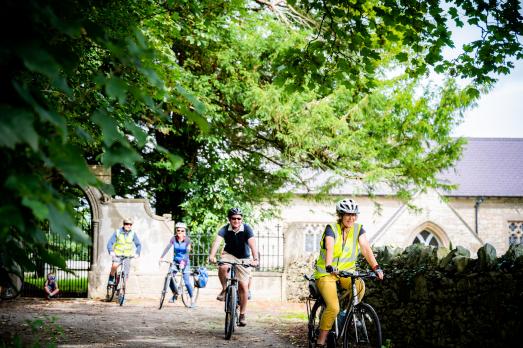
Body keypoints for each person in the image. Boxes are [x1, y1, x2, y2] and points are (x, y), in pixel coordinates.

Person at [314, 199, 384, 348]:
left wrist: (376, 267)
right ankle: (320, 342)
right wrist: (329, 265)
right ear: (341, 215)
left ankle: (344, 314)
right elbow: (330, 246)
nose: (351, 218)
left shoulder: (359, 229)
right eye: (347, 214)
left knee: (360, 286)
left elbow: (365, 247)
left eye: (354, 215)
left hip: (346, 273)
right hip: (327, 273)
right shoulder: (331, 228)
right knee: (333, 307)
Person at [208, 207, 258, 327]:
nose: (236, 221)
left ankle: (242, 314)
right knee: (222, 267)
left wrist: (255, 258)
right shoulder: (225, 229)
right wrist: (212, 255)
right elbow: (217, 242)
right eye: (233, 218)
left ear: (242, 219)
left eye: (238, 218)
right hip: (229, 254)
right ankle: (225, 289)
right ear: (229, 219)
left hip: (243, 257)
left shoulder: (247, 229)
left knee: (243, 286)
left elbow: (252, 244)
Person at [159, 222, 196, 308]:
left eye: (182, 230)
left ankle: (192, 299)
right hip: (175, 261)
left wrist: (183, 262)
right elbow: (168, 247)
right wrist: (161, 257)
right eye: (178, 230)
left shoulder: (188, 240)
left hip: (185, 262)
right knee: (169, 277)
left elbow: (187, 253)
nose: (180, 232)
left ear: (185, 231)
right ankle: (175, 293)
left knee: (186, 281)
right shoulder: (173, 238)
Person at [106, 217, 141, 288]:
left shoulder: (133, 234)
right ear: (123, 224)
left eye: (130, 224)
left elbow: (138, 244)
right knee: (115, 266)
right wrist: (111, 251)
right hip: (117, 255)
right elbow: (110, 243)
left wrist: (137, 253)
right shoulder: (118, 232)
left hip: (128, 256)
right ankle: (111, 277)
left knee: (126, 275)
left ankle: (122, 293)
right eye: (126, 224)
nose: (128, 226)